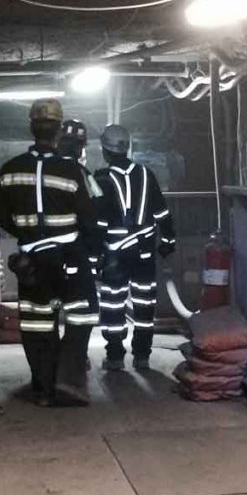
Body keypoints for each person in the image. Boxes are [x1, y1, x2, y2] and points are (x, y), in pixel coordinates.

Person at [0, 100, 100, 406]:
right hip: (70, 256)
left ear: (31, 127)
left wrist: (30, 237)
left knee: (37, 324)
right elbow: (89, 218)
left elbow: (4, 220)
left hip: (31, 262)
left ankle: (42, 388)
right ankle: (68, 379)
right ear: (58, 131)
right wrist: (93, 251)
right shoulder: (72, 171)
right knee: (83, 314)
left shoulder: (9, 170)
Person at [94, 124, 176, 371]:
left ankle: (115, 356)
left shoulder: (101, 178)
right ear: (127, 147)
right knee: (144, 304)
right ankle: (142, 356)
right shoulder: (146, 174)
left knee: (113, 305)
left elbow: (97, 221)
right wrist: (167, 241)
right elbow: (162, 212)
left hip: (114, 255)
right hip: (144, 253)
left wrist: (94, 254)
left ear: (105, 150)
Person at [57, 119, 104, 281]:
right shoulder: (82, 174)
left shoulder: (41, 170)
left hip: (45, 251)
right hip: (76, 250)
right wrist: (95, 253)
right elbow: (96, 210)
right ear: (78, 148)